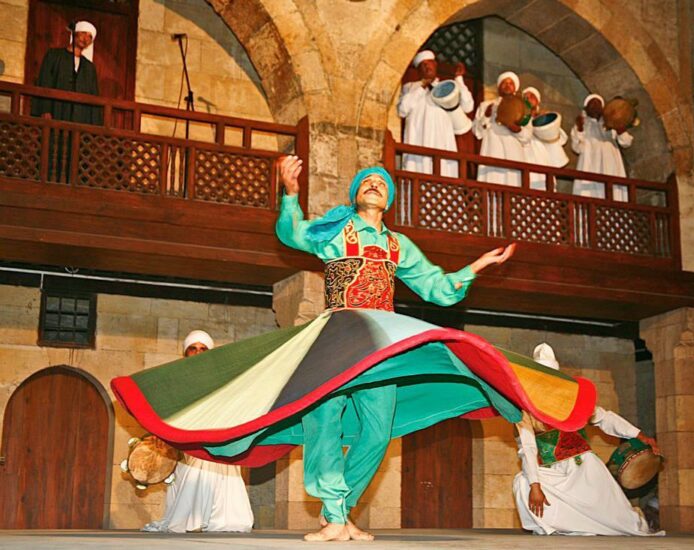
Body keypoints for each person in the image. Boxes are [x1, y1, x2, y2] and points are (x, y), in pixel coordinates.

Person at [112, 159, 597, 542]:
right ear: (356, 194)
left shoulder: (398, 245)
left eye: (382, 184)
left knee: (378, 431)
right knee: (323, 420)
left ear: (388, 200)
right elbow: (292, 233)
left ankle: (340, 513)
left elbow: (438, 289)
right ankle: (334, 516)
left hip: (380, 343)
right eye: (367, 182)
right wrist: (289, 192)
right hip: (336, 337)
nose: (374, 186)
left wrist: (477, 266)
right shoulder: (337, 232)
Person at [513, 342, 664, 537]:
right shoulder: (524, 409)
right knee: (522, 482)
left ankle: (636, 521)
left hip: (583, 467)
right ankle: (554, 527)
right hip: (553, 472)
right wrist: (535, 485)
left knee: (622, 520)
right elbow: (527, 448)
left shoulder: (572, 398)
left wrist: (638, 434)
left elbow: (604, 418)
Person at [142, 330, 254, 534]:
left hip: (216, 432)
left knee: (218, 470)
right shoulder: (176, 379)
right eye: (193, 348)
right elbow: (168, 408)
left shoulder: (221, 377)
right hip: (187, 435)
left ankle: (217, 518)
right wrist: (162, 432)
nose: (198, 352)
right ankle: (190, 518)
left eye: (203, 349)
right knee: (188, 473)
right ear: (186, 353)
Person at [397, 50, 474, 178]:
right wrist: (423, 86)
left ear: (435, 65)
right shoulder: (410, 87)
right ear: (418, 70)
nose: (427, 66)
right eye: (423, 65)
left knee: (444, 171)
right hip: (419, 140)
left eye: (429, 63)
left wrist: (459, 80)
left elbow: (468, 106)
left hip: (442, 139)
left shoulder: (447, 86)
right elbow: (402, 110)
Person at [31, 20, 103, 125]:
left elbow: (93, 96)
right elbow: (45, 82)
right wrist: (45, 109)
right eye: (83, 33)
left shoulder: (89, 67)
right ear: (75, 33)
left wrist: (95, 125)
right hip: (56, 112)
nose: (85, 38)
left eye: (90, 37)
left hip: (80, 118)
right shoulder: (54, 56)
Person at [473, 71, 533, 187]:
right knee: (492, 183)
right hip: (492, 150)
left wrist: (516, 129)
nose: (507, 86)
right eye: (504, 83)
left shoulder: (523, 107)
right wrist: (486, 116)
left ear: (515, 88)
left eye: (511, 83)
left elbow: (527, 137)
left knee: (513, 185)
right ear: (499, 87)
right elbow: (477, 132)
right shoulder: (486, 105)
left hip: (514, 153)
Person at [571, 94, 632, 201]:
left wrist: (619, 128)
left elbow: (626, 142)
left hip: (611, 165)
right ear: (586, 108)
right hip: (590, 165)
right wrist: (580, 129)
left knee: (613, 193)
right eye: (592, 104)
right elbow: (576, 148)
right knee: (590, 194)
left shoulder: (611, 122)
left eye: (598, 104)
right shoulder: (582, 124)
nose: (595, 106)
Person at [521, 87, 569, 191]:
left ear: (537, 101)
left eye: (531, 96)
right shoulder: (518, 119)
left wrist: (543, 122)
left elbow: (559, 139)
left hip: (542, 159)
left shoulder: (545, 117)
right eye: (525, 97)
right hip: (525, 158)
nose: (528, 99)